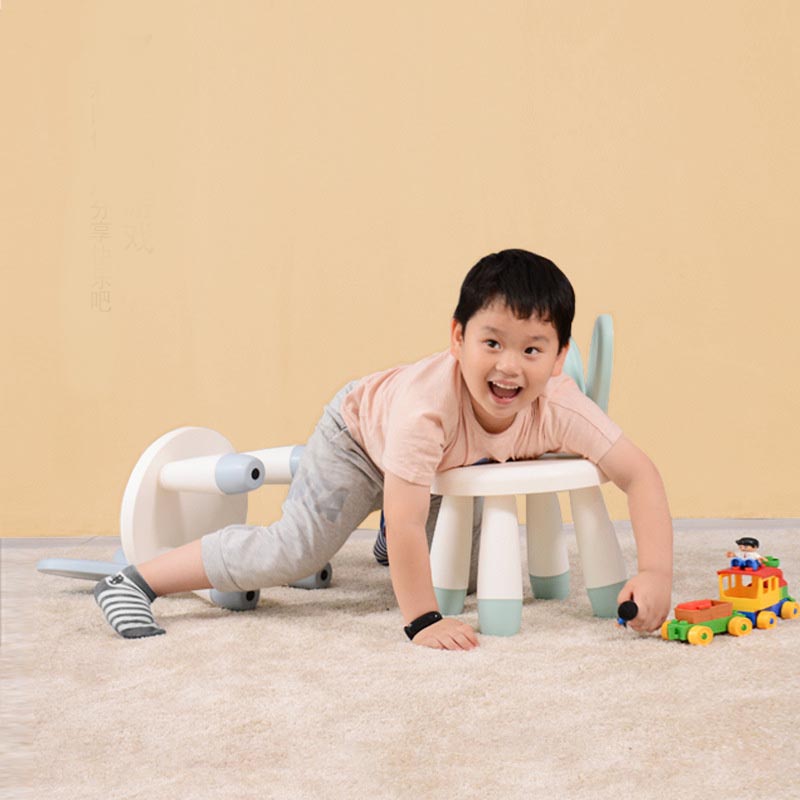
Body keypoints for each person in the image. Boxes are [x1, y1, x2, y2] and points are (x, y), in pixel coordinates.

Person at [95, 249, 673, 648]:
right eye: (492, 343)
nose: (508, 367)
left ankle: (382, 537)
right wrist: (422, 619)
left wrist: (655, 574)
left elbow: (640, 475)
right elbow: (407, 516)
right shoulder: (427, 409)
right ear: (457, 338)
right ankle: (135, 581)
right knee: (294, 552)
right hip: (358, 441)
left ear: (560, 356)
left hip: (436, 469)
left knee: (464, 576)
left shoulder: (562, 406)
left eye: (532, 350)